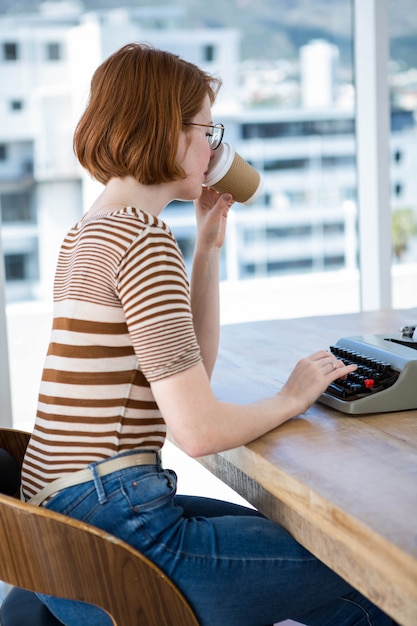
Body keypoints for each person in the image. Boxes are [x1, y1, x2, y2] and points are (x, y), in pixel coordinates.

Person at [21, 43, 393, 626]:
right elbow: (197, 432)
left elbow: (191, 377)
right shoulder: (142, 243)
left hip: (65, 535)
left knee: (327, 565)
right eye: (206, 129)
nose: (213, 148)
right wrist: (291, 398)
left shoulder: (90, 232)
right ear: (166, 129)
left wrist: (206, 253)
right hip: (119, 531)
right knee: (370, 570)